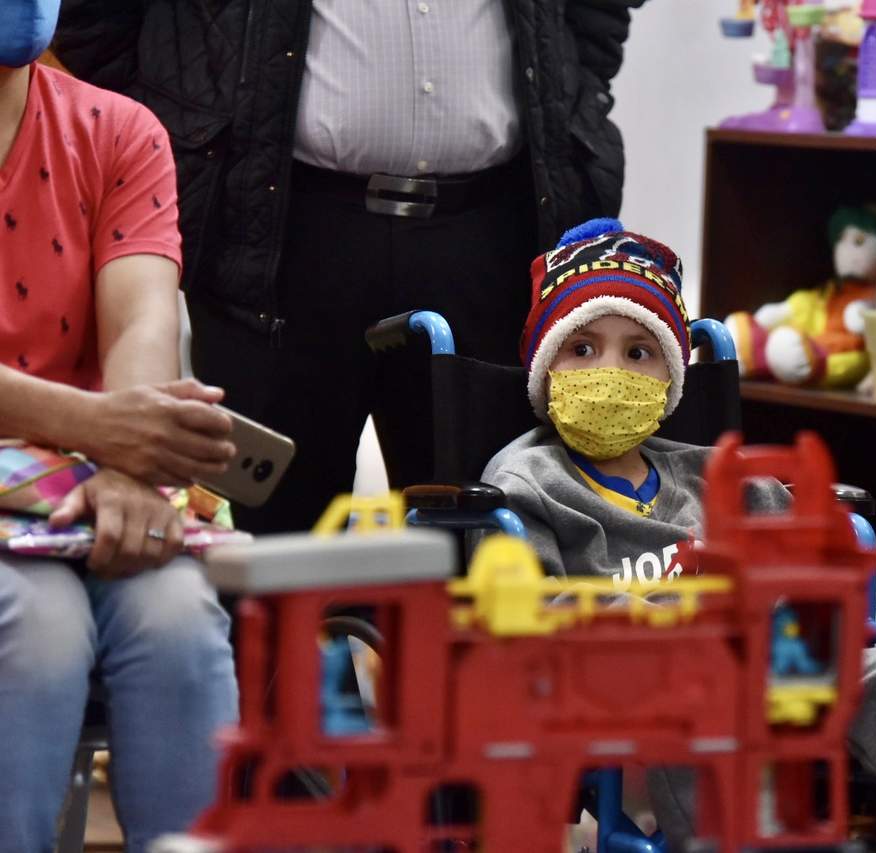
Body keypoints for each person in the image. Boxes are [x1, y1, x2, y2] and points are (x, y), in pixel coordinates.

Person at [481, 219, 876, 852]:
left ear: (669, 379)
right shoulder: (526, 481)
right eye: (582, 349)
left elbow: (807, 567)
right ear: (544, 367)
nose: (609, 371)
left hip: (771, 666)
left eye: (638, 353)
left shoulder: (718, 473)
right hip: (645, 693)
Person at [53, 0, 648, 534]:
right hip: (275, 232)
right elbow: (93, 22)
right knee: (269, 539)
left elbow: (597, 17)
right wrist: (183, 125)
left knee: (484, 533)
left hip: (490, 235)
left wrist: (571, 89)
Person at [0, 4, 238, 850]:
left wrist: (135, 469)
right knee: (35, 630)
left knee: (179, 621)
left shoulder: (117, 131)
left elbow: (143, 318)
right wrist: (109, 429)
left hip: (90, 476)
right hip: (84, 454)